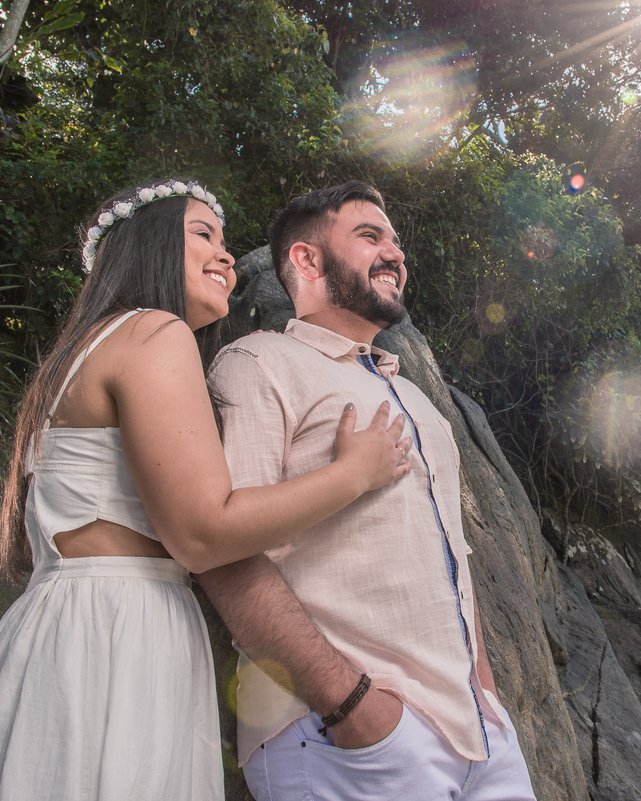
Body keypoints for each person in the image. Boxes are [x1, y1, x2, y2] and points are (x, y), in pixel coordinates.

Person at [0, 179, 413, 801]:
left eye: (225, 242)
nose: (227, 256)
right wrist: (352, 474)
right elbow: (204, 531)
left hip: (58, 630)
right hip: (119, 636)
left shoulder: (82, 351)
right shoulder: (151, 332)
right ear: (146, 246)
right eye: (203, 234)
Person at [197, 181, 537, 800]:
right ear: (307, 260)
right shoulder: (257, 363)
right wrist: (351, 705)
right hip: (348, 740)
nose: (395, 253)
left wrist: (484, 693)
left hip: (480, 737)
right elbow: (222, 552)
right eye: (369, 236)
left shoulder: (417, 401)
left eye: (396, 241)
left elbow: (452, 557)